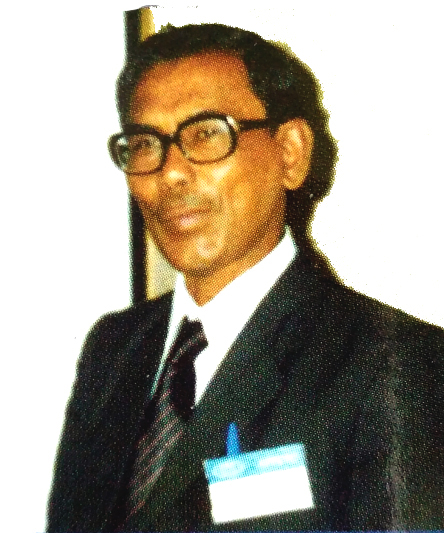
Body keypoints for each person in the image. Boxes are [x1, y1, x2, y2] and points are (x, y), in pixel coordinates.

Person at [47, 23, 444, 532]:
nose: (170, 172)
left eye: (207, 133)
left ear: (290, 153)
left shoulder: (396, 366)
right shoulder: (113, 349)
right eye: (144, 143)